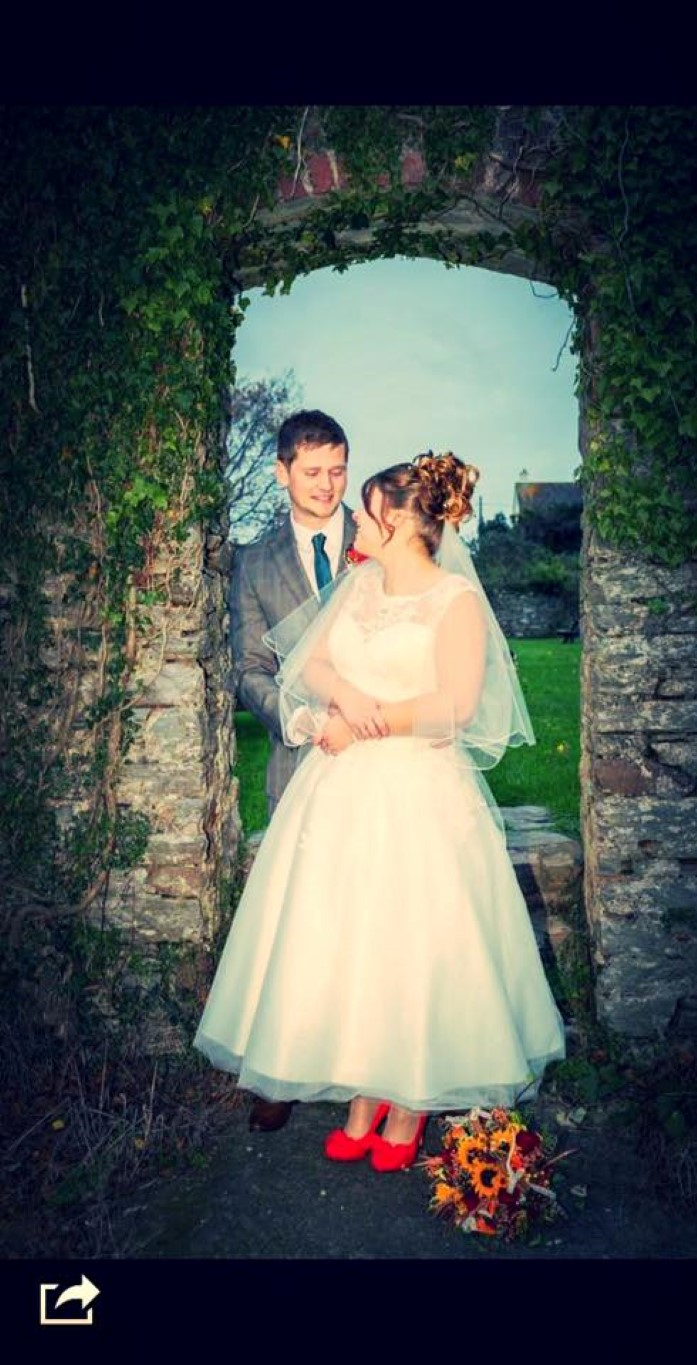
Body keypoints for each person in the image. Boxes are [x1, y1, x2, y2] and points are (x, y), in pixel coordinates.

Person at [196, 453, 565, 1170]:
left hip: (418, 787)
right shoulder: (360, 583)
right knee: (350, 938)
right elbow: (314, 661)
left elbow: (457, 705)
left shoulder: (456, 601)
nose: (355, 522)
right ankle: (364, 1091)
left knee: (410, 938)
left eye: (365, 511)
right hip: (341, 789)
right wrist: (347, 698)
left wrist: (371, 722)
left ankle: (409, 1101)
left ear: (395, 519)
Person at [228, 409, 358, 1131]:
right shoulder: (255, 561)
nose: (327, 485)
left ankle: (373, 1061)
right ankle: (282, 1067)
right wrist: (300, 719)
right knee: (298, 919)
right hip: (301, 758)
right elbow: (249, 668)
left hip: (378, 756)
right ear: (282, 472)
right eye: (311, 472)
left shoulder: (380, 539)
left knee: (372, 909)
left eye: (337, 470)